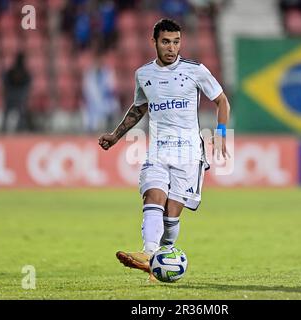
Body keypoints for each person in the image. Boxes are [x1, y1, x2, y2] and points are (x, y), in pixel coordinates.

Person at [98, 18, 230, 280]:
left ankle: (163, 253)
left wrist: (222, 132)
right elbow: (139, 108)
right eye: (166, 42)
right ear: (155, 42)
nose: (172, 48)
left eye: (176, 42)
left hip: (189, 154)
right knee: (153, 197)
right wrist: (115, 136)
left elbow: (222, 101)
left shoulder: (196, 70)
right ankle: (149, 255)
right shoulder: (144, 74)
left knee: (171, 217)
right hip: (157, 151)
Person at [82, 50, 120, 133]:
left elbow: (112, 90)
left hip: (106, 104)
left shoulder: (109, 72)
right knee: (89, 115)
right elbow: (87, 92)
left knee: (112, 106)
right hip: (93, 107)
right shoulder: (89, 74)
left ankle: (109, 129)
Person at [1, 52, 32, 133]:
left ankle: (4, 129)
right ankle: (20, 129)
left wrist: (8, 91)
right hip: (19, 96)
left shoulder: (11, 71)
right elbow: (28, 83)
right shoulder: (24, 72)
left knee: (8, 113)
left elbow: (5, 81)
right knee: (21, 114)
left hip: (10, 95)